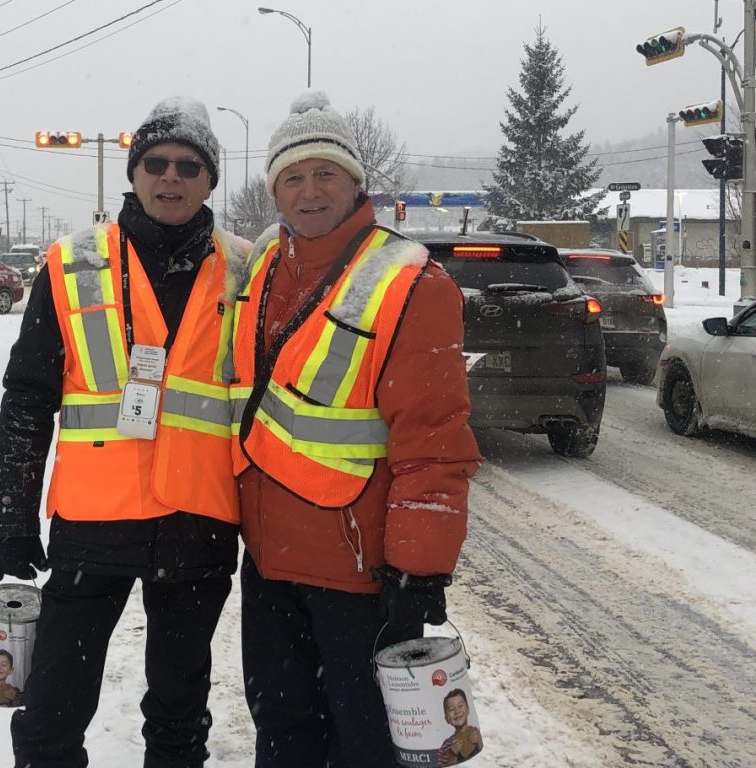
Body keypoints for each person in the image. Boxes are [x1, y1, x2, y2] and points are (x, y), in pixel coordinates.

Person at [0, 96, 250, 768]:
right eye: (156, 163)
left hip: (200, 522)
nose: (171, 177)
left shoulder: (247, 271)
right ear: (133, 175)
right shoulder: (73, 264)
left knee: (178, 713)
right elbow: (27, 399)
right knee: (51, 714)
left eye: (189, 166)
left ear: (209, 180)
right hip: (93, 524)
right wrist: (10, 518)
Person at [228, 91, 482, 768]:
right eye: (292, 177)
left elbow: (434, 443)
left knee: (366, 747)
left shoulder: (410, 282)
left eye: (325, 174)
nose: (309, 191)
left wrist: (419, 570)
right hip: (269, 570)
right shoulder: (263, 263)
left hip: (359, 582)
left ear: (355, 182)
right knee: (282, 734)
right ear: (275, 193)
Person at [437, 688, 483, 766]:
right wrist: (453, 754)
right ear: (447, 719)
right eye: (451, 709)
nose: (457, 711)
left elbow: (483, 753)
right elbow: (441, 765)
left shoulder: (475, 732)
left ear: (468, 709)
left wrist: (479, 741)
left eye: (460, 706)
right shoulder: (446, 745)